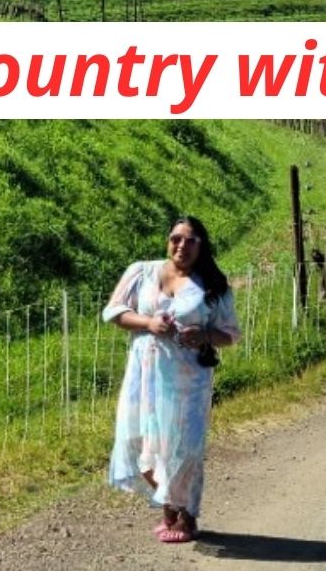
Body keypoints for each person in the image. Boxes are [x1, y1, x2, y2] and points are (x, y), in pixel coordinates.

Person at [103, 216, 241, 543]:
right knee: (141, 443)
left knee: (184, 447)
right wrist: (148, 323)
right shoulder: (142, 271)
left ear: (202, 246)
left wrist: (205, 333)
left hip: (189, 378)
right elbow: (113, 311)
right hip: (144, 375)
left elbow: (231, 334)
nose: (182, 245)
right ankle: (169, 509)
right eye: (176, 238)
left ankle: (188, 517)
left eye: (191, 240)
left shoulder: (212, 285)